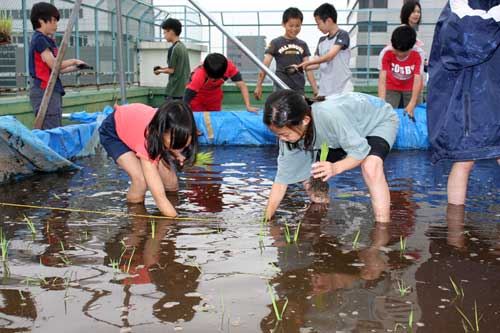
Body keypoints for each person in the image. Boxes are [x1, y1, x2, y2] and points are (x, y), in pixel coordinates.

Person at [263, 90, 399, 222]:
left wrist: (335, 167)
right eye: (278, 135)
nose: (282, 139)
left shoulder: (330, 116)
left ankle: (382, 229)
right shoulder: (289, 135)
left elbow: (360, 151)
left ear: (305, 120)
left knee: (371, 166)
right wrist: (266, 220)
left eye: (285, 135)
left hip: (377, 120)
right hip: (344, 133)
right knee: (311, 174)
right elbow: (281, 181)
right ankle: (321, 216)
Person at [426, 0, 500, 206]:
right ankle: (454, 232)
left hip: (478, 94)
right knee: (464, 159)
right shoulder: (458, 9)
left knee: (464, 160)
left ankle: (454, 232)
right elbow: (464, 46)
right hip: (470, 95)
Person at [99, 101, 198, 217]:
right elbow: (159, 197)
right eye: (175, 145)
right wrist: (175, 221)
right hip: (114, 133)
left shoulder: (172, 126)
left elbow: (174, 141)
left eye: (183, 145)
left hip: (135, 128)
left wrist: (176, 152)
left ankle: (170, 207)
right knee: (141, 181)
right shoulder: (149, 140)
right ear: (161, 132)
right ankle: (137, 219)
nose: (179, 149)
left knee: (171, 184)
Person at [29, 2, 86, 129]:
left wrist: (76, 67)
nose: (56, 24)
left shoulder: (46, 40)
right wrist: (73, 61)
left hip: (50, 89)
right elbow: (54, 65)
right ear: (41, 21)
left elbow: (55, 70)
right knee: (52, 129)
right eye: (53, 20)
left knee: (55, 126)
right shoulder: (40, 39)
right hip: (44, 90)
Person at [253, 7, 318, 100]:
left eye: (298, 26)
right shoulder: (275, 43)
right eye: (291, 25)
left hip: (298, 88)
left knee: (297, 113)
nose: (294, 29)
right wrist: (259, 85)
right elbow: (265, 64)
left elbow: (308, 68)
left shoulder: (303, 44)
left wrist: (315, 91)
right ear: (283, 24)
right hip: (280, 87)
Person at [296, 3, 353, 96]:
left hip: (342, 90)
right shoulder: (322, 41)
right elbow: (316, 64)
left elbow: (330, 56)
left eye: (318, 24)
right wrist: (299, 67)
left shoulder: (342, 35)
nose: (317, 27)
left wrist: (308, 63)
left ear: (329, 21)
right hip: (324, 91)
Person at [184, 53, 259, 113]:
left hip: (214, 99)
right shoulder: (199, 75)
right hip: (197, 99)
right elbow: (186, 100)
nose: (213, 80)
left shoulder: (229, 67)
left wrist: (248, 106)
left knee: (215, 122)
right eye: (211, 77)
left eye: (215, 78)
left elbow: (242, 86)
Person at [378, 25, 422, 119]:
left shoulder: (418, 53)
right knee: (385, 114)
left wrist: (412, 103)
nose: (399, 54)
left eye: (403, 53)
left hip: (411, 87)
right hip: (391, 86)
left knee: (415, 115)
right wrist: (381, 102)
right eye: (396, 51)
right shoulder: (386, 52)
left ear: (411, 48)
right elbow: (382, 80)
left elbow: (418, 79)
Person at [154, 18, 191, 102]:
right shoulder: (183, 47)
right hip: (184, 91)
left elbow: (171, 70)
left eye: (165, 32)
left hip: (174, 92)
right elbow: (178, 68)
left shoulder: (173, 48)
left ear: (171, 32)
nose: (164, 35)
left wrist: (158, 71)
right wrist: (162, 68)